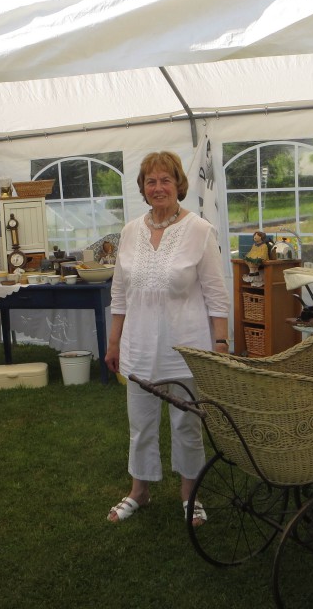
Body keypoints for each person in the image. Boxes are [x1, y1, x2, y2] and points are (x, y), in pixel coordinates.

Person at [104, 150, 229, 526]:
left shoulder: (200, 231)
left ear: (178, 185)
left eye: (165, 180)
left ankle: (190, 495)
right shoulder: (130, 232)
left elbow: (216, 295)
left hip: (185, 347)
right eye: (151, 181)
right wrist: (114, 343)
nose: (158, 187)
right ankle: (138, 492)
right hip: (139, 346)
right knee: (140, 424)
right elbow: (119, 294)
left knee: (186, 424)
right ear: (143, 188)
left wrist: (220, 344)